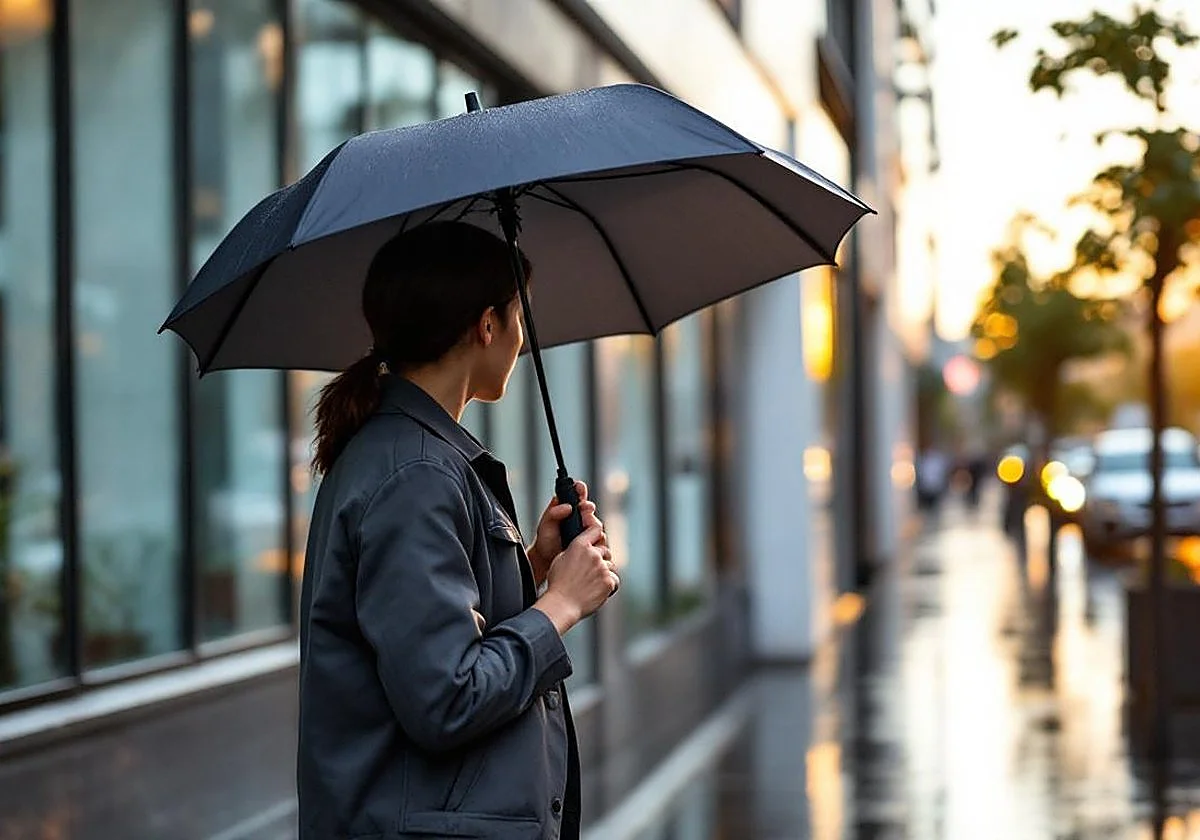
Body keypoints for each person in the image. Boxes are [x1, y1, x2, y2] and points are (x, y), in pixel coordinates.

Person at [297, 221, 618, 839]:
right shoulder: (415, 474)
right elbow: (446, 696)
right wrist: (559, 606)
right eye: (518, 315)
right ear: (487, 324)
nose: (524, 340)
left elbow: (433, 633)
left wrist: (534, 566)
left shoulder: (417, 459)